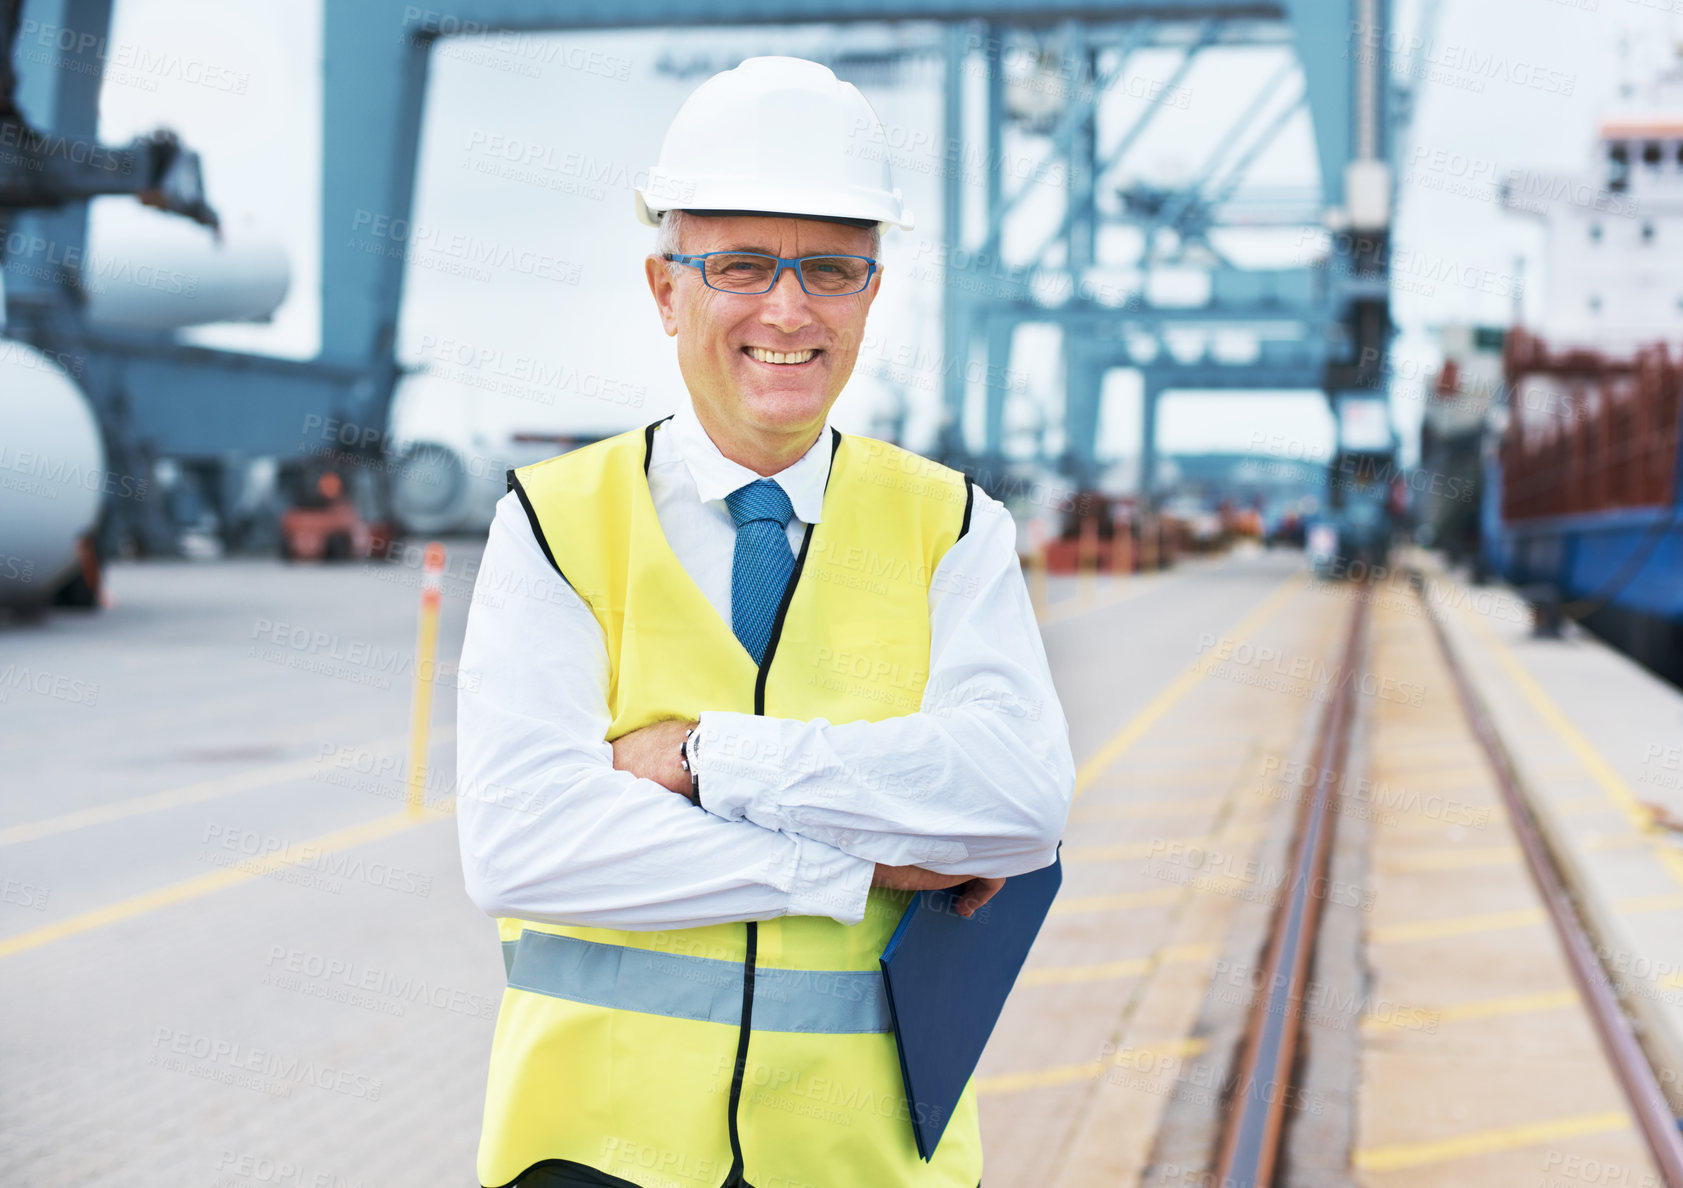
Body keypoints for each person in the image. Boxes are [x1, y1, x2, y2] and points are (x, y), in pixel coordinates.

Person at [456, 56, 1075, 1188]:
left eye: (830, 269)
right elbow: (520, 845)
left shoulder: (954, 529)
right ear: (664, 290)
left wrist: (706, 757)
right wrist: (860, 865)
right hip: (592, 1152)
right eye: (741, 264)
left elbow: (1019, 805)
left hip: (863, 1159)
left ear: (873, 292)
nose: (787, 310)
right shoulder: (552, 524)